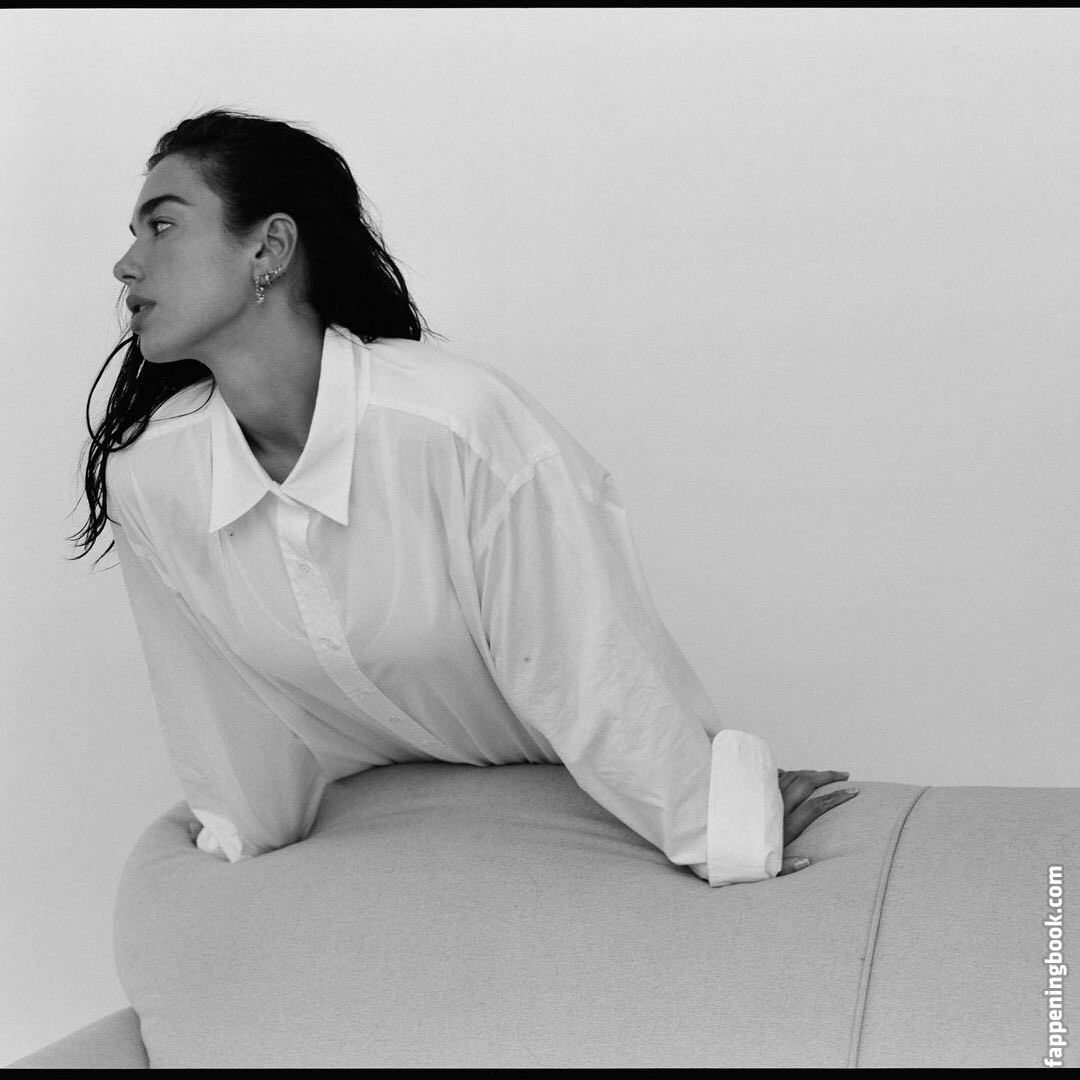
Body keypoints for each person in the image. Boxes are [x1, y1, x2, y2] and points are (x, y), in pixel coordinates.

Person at [71, 109, 856, 885]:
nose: (126, 265)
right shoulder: (151, 477)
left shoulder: (455, 428)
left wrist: (719, 825)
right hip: (393, 845)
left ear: (270, 248)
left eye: (161, 226)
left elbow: (588, 662)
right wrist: (241, 882)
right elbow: (217, 717)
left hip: (576, 818)